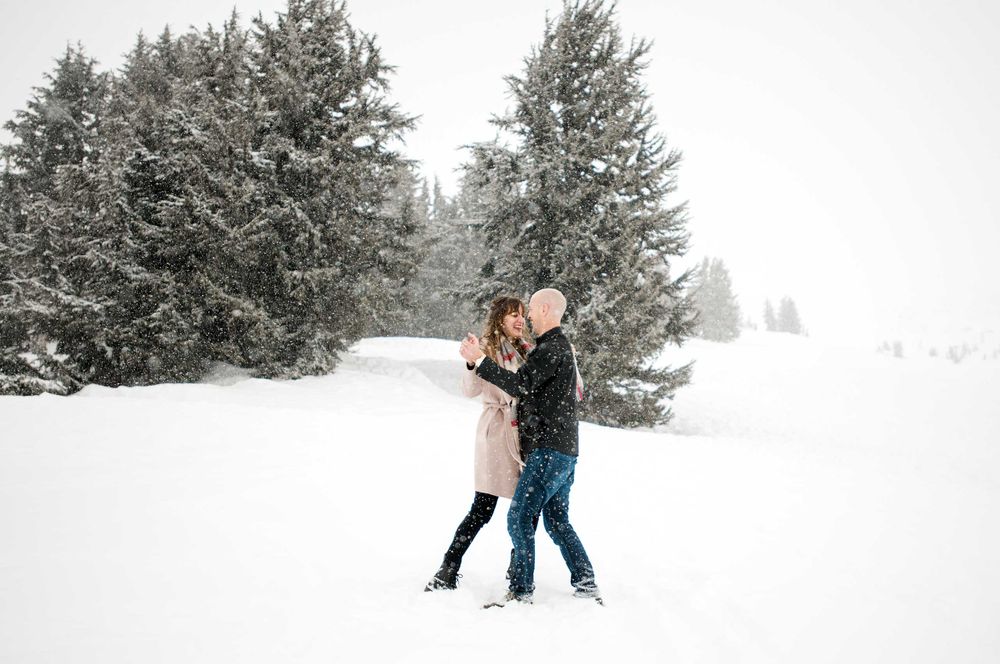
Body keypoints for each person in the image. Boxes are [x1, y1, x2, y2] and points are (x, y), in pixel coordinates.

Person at [460, 288, 600, 606]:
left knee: (519, 517)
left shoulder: (551, 348)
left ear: (546, 309)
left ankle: (521, 590)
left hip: (549, 450)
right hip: (566, 450)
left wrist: (479, 360)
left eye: (533, 310)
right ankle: (586, 583)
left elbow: (518, 384)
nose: (529, 317)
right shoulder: (558, 348)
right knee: (556, 520)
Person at [425, 296, 532, 591]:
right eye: (513, 315)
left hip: (522, 435)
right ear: (500, 319)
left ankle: (517, 568)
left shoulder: (527, 350)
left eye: (522, 315)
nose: (519, 320)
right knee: (483, 506)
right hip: (496, 434)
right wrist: (472, 362)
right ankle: (448, 567)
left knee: (528, 508)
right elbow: (469, 390)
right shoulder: (487, 348)